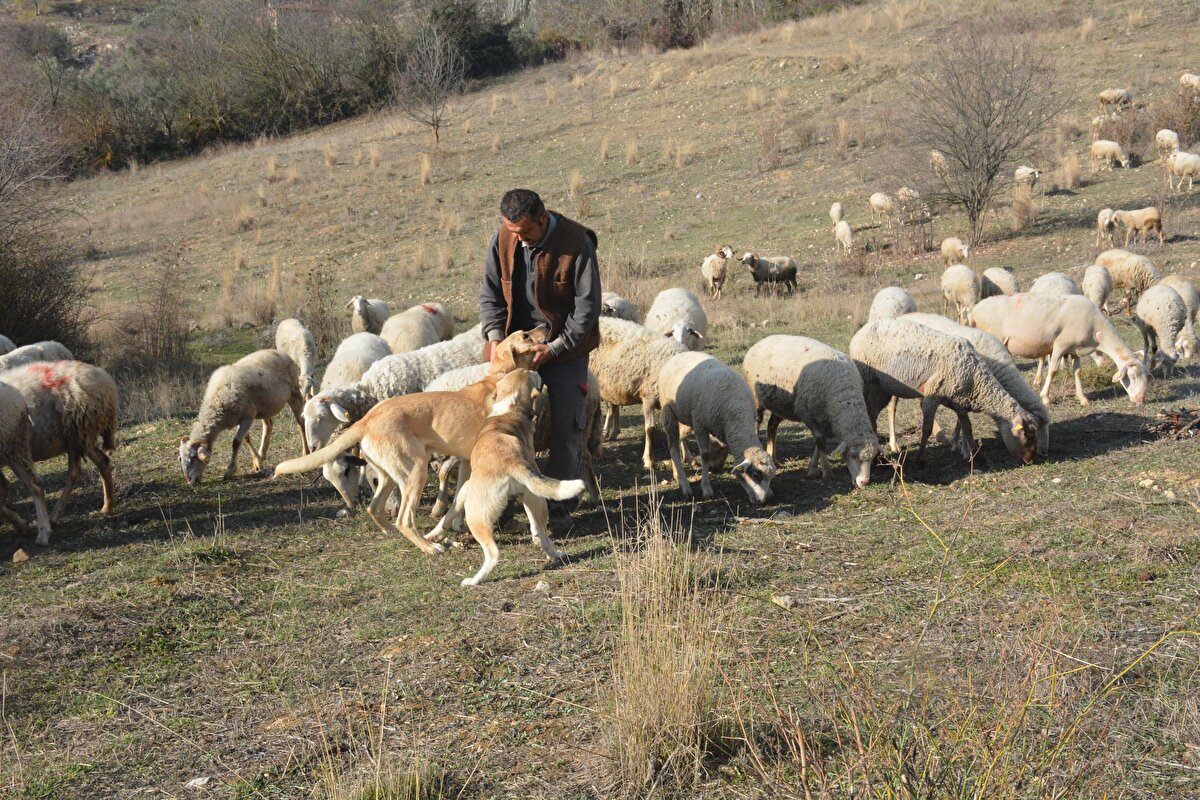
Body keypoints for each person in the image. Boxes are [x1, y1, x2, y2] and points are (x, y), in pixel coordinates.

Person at [480, 189, 601, 527]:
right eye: (512, 231)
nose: (519, 239)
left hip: (563, 349)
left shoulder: (576, 243)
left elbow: (587, 307)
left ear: (543, 219)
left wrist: (555, 347)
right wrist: (495, 340)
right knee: (501, 426)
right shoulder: (504, 239)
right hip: (515, 350)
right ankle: (500, 507)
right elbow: (490, 293)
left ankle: (558, 509)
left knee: (567, 425)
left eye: (525, 232)